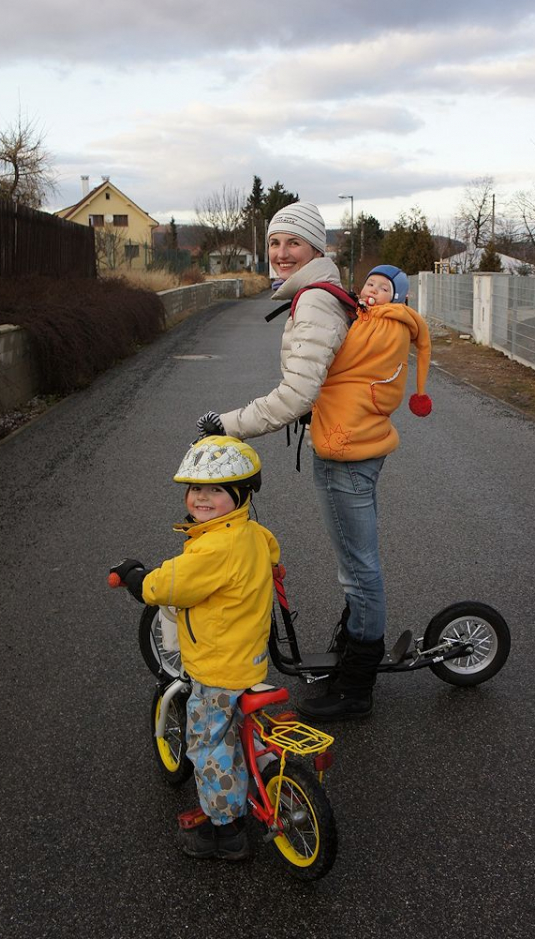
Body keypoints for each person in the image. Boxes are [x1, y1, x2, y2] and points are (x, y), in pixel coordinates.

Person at [195, 202, 431, 722]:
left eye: (292, 243)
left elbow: (297, 394)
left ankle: (356, 687)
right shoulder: (320, 293)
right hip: (346, 444)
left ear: (315, 249)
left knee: (358, 571)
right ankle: (352, 654)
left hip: (346, 454)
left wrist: (226, 423)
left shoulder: (315, 303)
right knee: (355, 565)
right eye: (275, 242)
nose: (280, 252)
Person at [109, 436, 280, 861]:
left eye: (216, 490)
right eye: (195, 489)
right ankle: (256, 777)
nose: (202, 498)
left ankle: (226, 832)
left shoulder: (214, 548)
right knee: (236, 731)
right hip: (250, 657)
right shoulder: (252, 533)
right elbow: (273, 553)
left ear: (240, 495)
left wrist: (135, 577)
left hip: (217, 668)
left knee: (207, 746)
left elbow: (168, 584)